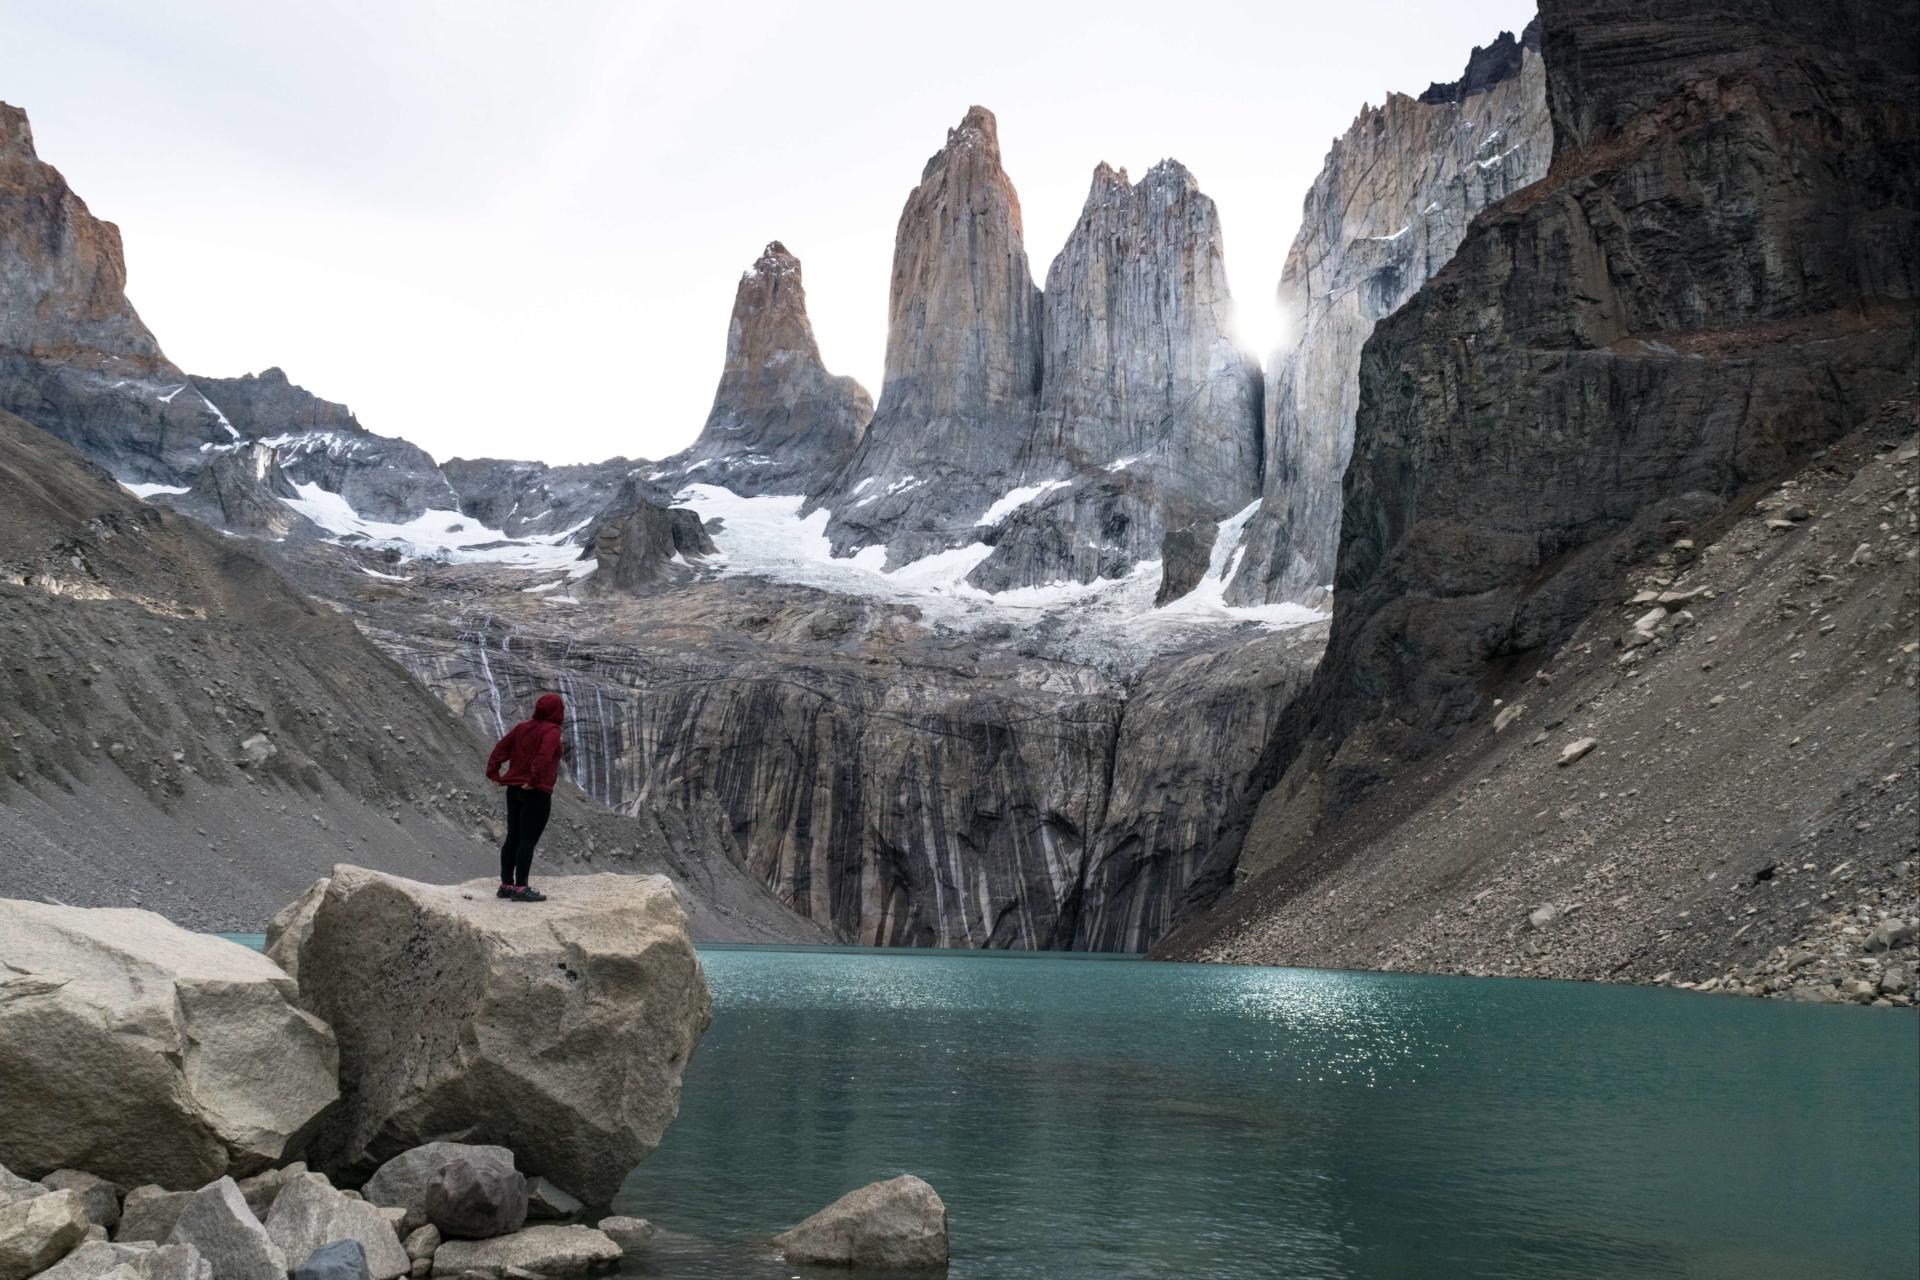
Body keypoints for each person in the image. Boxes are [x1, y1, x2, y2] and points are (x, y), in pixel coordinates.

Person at [485, 692, 566, 902]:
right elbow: (544, 756)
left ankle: (506, 885)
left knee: (513, 837)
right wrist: (534, 780)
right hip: (535, 792)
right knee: (527, 841)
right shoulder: (552, 731)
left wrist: (494, 771)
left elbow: (501, 747)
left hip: (513, 790)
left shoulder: (522, 728)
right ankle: (521, 888)